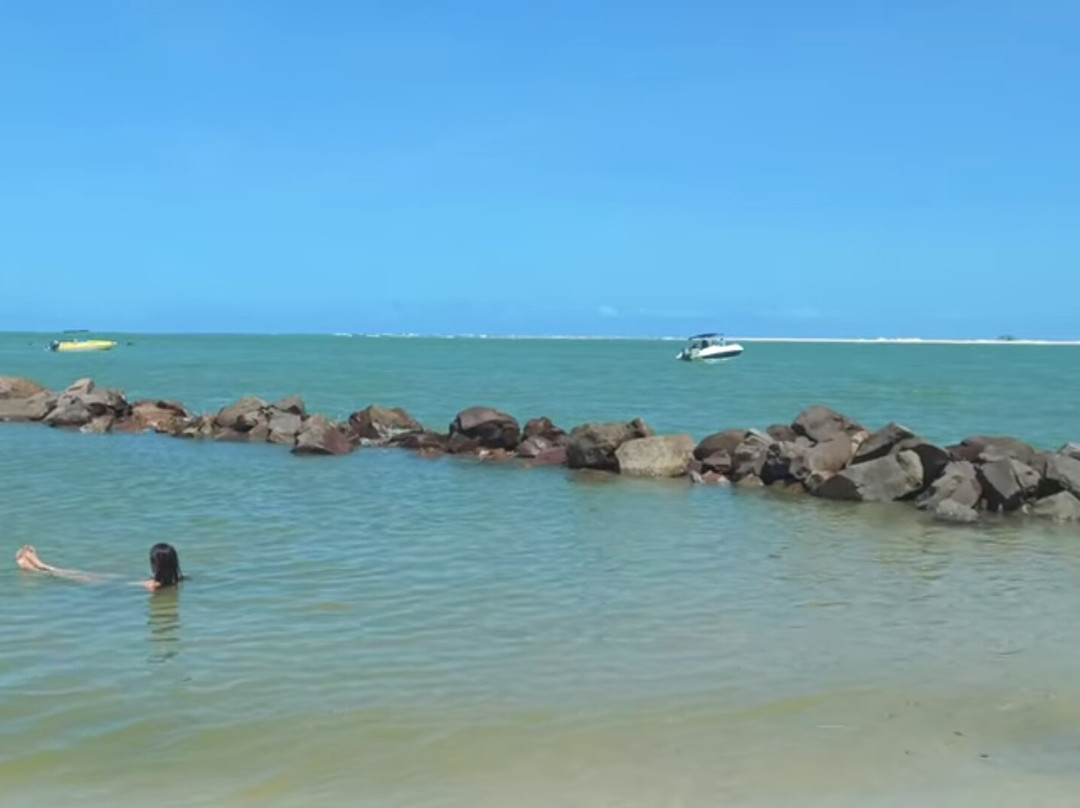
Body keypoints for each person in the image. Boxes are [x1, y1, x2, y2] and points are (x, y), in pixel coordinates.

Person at [15, 543, 184, 591]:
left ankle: (39, 567)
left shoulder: (152, 586)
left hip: (110, 586)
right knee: (86, 573)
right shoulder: (178, 580)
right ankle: (40, 566)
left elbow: (126, 587)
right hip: (120, 582)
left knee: (76, 575)